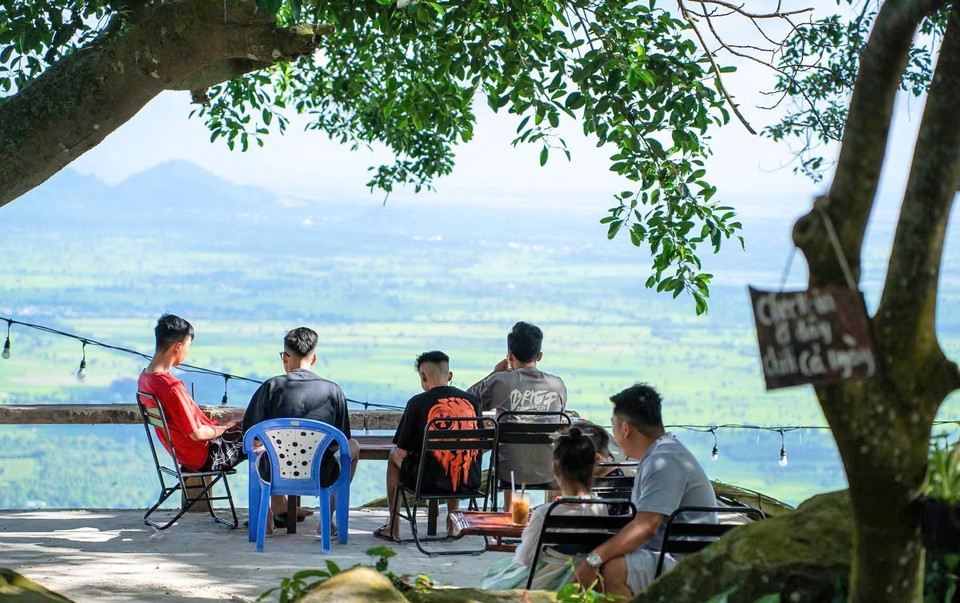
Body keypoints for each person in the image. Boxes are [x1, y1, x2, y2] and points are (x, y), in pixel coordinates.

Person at [573, 383, 717, 597]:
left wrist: (595, 557)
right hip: (670, 555)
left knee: (610, 570)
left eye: (613, 426)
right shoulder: (660, 454)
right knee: (587, 562)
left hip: (687, 564)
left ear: (626, 429)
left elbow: (646, 527)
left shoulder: (663, 460)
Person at [242, 327, 360, 534]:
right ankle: (327, 519)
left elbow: (250, 438)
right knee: (354, 447)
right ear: (314, 359)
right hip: (322, 474)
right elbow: (340, 441)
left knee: (257, 449)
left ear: (285, 357)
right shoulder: (334, 391)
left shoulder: (270, 387)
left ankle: (266, 519)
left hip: (272, 473)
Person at [480, 426, 606, 591]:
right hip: (585, 578)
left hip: (547, 579)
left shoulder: (546, 512)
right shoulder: (603, 507)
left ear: (554, 468)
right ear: (593, 469)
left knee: (494, 575)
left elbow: (525, 557)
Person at [375, 350, 482, 541]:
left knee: (393, 457)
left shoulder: (417, 403)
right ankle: (453, 523)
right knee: (456, 456)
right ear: (449, 376)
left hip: (428, 483)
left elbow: (402, 451)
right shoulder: (472, 402)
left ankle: (394, 527)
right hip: (469, 482)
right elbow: (479, 446)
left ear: (423, 376)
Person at [468, 321, 566, 505]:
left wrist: (493, 373)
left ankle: (507, 512)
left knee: (512, 455)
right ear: (540, 355)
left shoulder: (500, 381)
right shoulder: (557, 385)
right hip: (548, 469)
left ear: (510, 355)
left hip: (508, 472)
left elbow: (465, 401)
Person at [137, 314, 245, 473]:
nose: (188, 351)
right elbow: (197, 434)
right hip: (206, 456)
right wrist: (228, 427)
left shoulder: (145, 378)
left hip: (185, 456)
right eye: (188, 345)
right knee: (259, 429)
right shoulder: (171, 387)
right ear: (178, 347)